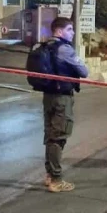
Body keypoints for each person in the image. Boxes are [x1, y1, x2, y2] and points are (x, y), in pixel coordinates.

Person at [41, 17, 89, 193]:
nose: (73, 32)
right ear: (59, 31)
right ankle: (56, 179)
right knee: (58, 137)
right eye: (70, 29)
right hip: (62, 98)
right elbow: (84, 72)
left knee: (50, 136)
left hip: (48, 96)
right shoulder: (64, 49)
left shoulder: (45, 46)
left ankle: (49, 174)